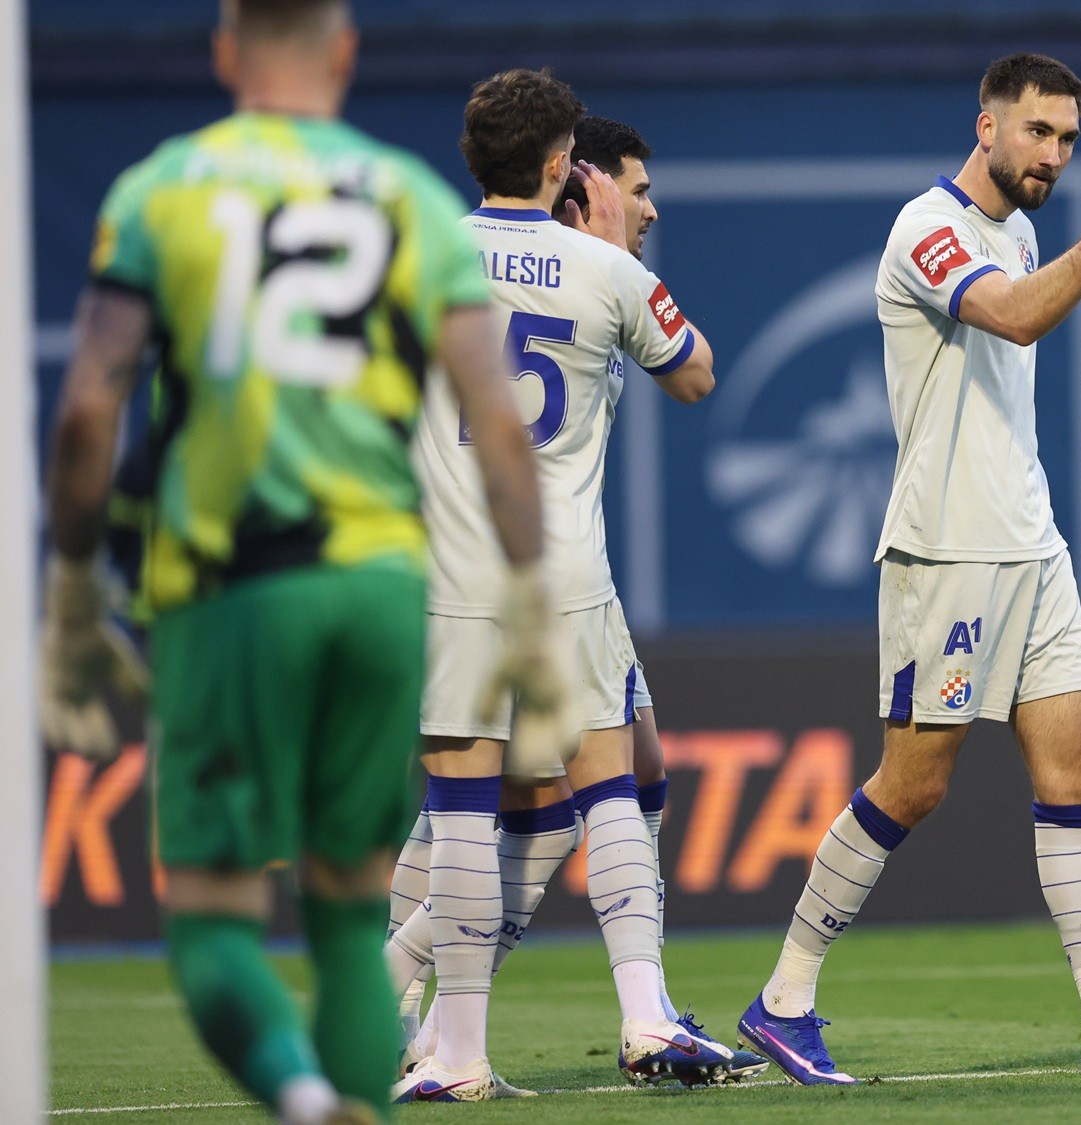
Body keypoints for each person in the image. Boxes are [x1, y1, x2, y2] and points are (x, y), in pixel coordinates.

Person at [38, 2, 563, 1121]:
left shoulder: (161, 191)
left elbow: (88, 408)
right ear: (345, 52)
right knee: (348, 914)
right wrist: (528, 597)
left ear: (225, 50)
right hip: (380, 589)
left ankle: (302, 1096)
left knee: (213, 923)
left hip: (229, 587)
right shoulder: (413, 201)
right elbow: (498, 421)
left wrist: (74, 587)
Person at [735, 52, 1081, 1083]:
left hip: (1030, 543)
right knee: (913, 786)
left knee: (1075, 768)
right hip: (947, 548)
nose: (1053, 154)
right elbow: (1015, 313)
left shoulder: (1019, 231)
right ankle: (783, 1000)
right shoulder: (928, 228)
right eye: (1038, 132)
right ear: (986, 126)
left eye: (1069, 139)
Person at [385, 113, 767, 1088]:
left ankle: (451, 1045)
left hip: (451, 572)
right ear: (564, 168)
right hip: (562, 572)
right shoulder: (605, 269)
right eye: (635, 191)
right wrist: (614, 265)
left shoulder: (422, 252)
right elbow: (697, 373)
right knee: (606, 790)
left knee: (466, 810)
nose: (646, 209)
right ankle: (635, 1014)